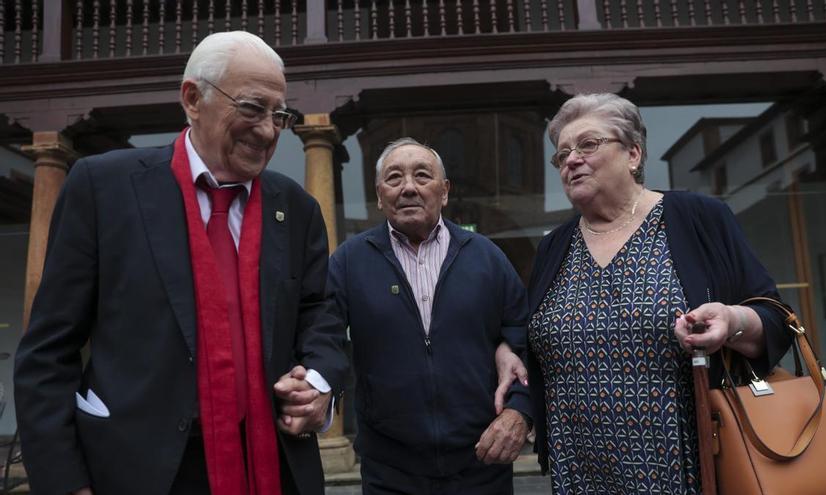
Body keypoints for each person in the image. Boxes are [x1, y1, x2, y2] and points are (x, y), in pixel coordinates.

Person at [14, 31, 348, 495]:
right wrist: (63, 481)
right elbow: (48, 352)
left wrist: (318, 382)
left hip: (272, 465)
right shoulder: (103, 188)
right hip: (137, 470)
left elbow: (320, 315)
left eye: (280, 114)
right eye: (252, 108)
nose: (269, 130)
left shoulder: (296, 207)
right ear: (193, 99)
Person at [526, 93, 793, 494]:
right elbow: (525, 338)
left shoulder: (697, 218)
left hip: (686, 469)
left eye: (588, 145)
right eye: (561, 154)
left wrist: (733, 321)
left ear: (633, 154)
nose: (571, 160)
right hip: (579, 474)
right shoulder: (554, 247)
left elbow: (777, 319)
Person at [327, 138, 532, 494]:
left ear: (445, 191)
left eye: (422, 176)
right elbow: (323, 335)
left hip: (481, 464)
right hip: (390, 471)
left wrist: (520, 410)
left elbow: (525, 336)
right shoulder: (349, 261)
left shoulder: (486, 257)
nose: (408, 187)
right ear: (379, 195)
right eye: (394, 178)